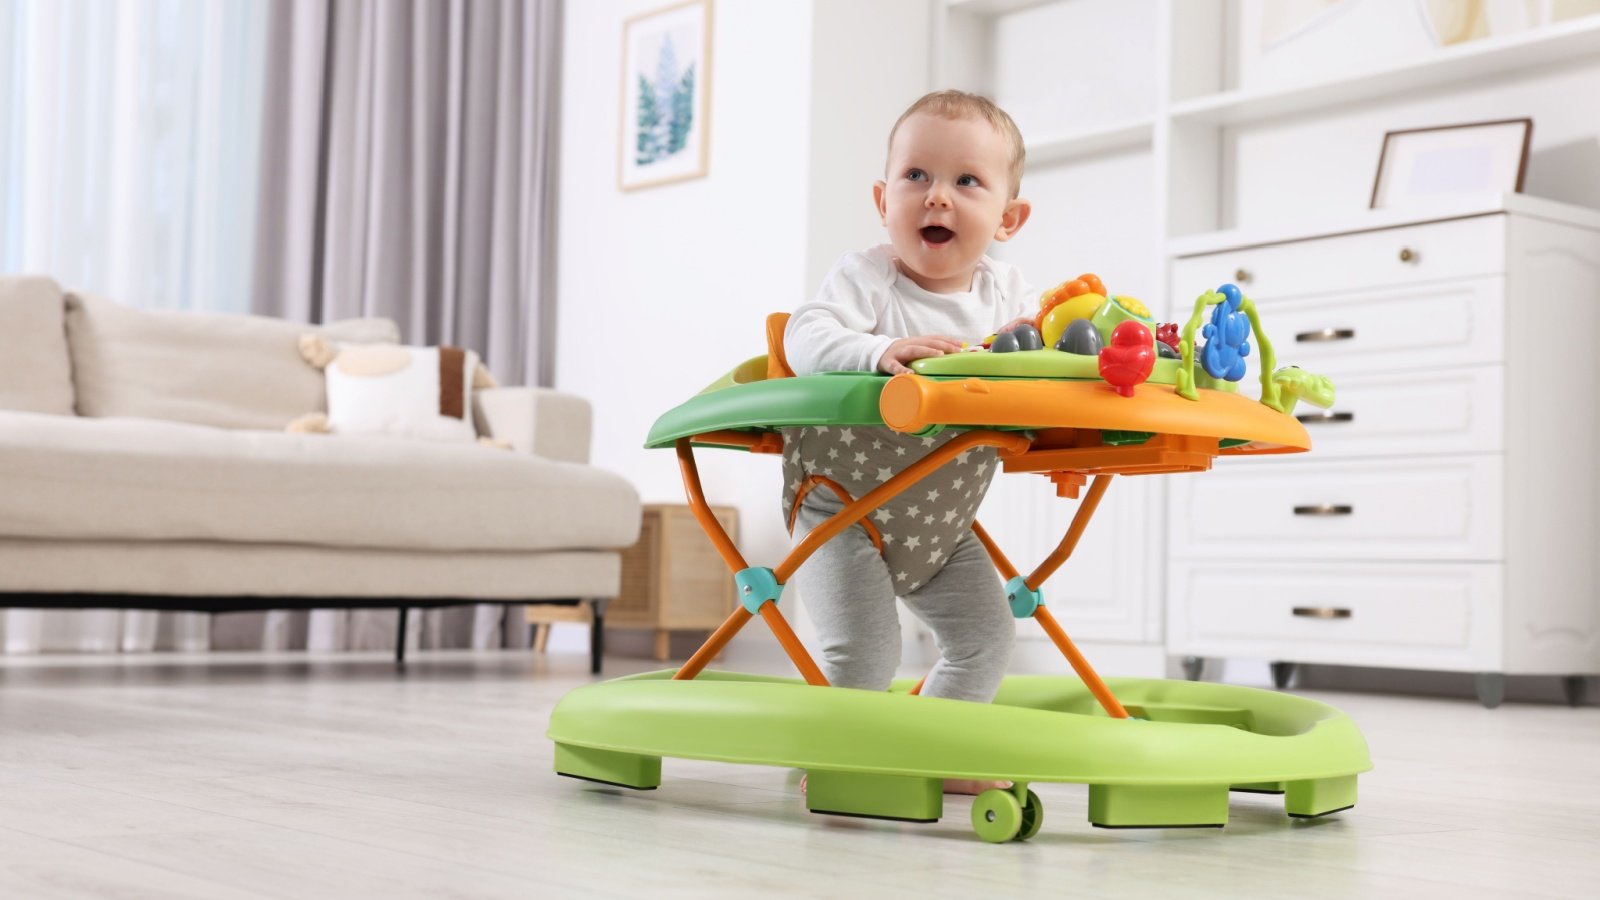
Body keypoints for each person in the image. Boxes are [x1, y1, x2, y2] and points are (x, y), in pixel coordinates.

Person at [783, 90, 1034, 795]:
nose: (937, 198)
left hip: (940, 520)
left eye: (967, 181)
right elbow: (804, 336)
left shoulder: (1009, 296)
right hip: (840, 507)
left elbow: (1040, 358)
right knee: (865, 650)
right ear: (881, 197)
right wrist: (879, 350)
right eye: (916, 176)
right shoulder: (868, 278)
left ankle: (934, 748)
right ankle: (842, 761)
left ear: (1009, 219)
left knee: (987, 637)